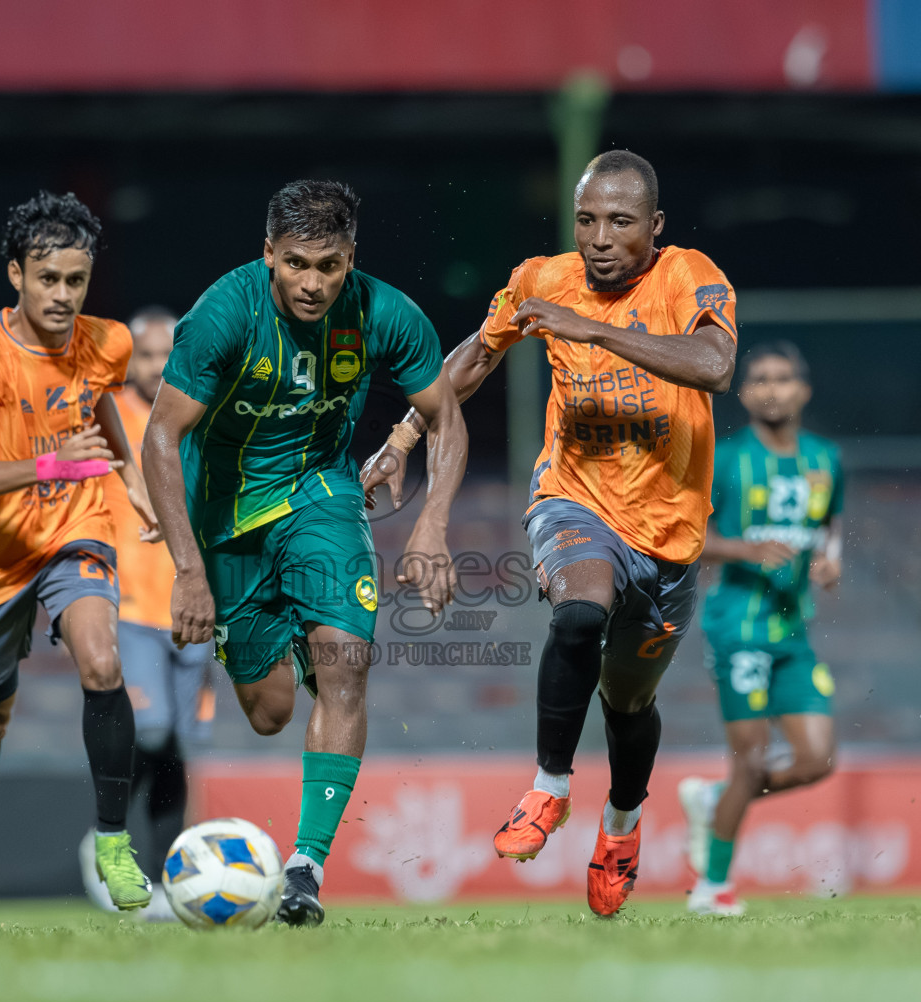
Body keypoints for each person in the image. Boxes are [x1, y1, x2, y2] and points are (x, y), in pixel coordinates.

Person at [362, 150, 737, 917]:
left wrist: (593, 333)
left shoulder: (688, 275)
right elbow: (471, 359)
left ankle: (621, 825)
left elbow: (714, 364)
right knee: (575, 612)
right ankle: (548, 787)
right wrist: (401, 439)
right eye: (586, 220)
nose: (599, 237)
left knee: (629, 704)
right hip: (574, 501)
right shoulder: (541, 278)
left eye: (621, 223)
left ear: (655, 228)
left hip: (667, 537)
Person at [142, 180, 467, 926]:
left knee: (346, 664)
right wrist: (190, 571)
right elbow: (161, 436)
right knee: (268, 712)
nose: (313, 283)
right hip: (225, 523)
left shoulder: (384, 314)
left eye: (328, 264)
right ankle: (295, 633)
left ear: (350, 257)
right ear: (268, 255)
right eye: (295, 264)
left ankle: (303, 869)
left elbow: (443, 415)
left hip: (321, 494)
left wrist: (432, 524)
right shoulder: (223, 313)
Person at [0, 191, 157, 927]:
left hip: (74, 528)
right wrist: (50, 466)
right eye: (47, 279)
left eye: (76, 280)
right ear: (16, 276)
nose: (62, 295)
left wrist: (131, 478)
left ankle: (114, 842)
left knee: (101, 663)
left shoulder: (110, 342)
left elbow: (100, 404)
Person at [679, 340, 843, 916]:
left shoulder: (826, 459)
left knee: (817, 760)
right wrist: (746, 549)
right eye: (761, 379)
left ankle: (716, 800)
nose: (772, 388)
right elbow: (688, 538)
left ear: (803, 390)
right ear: (745, 393)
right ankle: (712, 888)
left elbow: (830, 524)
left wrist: (830, 559)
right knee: (750, 760)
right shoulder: (724, 459)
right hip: (738, 628)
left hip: (793, 634)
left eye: (783, 378)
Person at [80, 307, 217, 923]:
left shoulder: (199, 417)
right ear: (126, 359)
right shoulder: (106, 416)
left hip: (192, 609)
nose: (157, 366)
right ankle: (106, 836)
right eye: (145, 355)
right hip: (130, 606)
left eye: (167, 354)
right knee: (154, 729)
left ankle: (163, 881)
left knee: (178, 747)